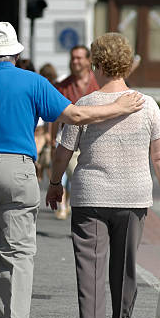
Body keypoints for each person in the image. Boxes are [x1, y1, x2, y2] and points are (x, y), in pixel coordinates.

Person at [0, 22, 144, 318]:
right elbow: (75, 115)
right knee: (18, 252)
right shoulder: (34, 83)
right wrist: (119, 108)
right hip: (19, 171)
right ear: (17, 53)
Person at [46, 32, 160, 318]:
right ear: (125, 64)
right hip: (133, 198)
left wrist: (54, 183)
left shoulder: (84, 105)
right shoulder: (147, 106)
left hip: (90, 196)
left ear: (97, 65)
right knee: (124, 268)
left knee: (89, 266)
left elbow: (63, 152)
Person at [51, 45, 99, 219]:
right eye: (73, 58)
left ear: (88, 60)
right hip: (67, 138)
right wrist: (51, 141)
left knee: (78, 175)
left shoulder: (98, 83)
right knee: (69, 171)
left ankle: (73, 203)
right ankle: (64, 204)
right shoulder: (62, 86)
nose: (75, 61)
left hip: (93, 138)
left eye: (79, 58)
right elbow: (55, 116)